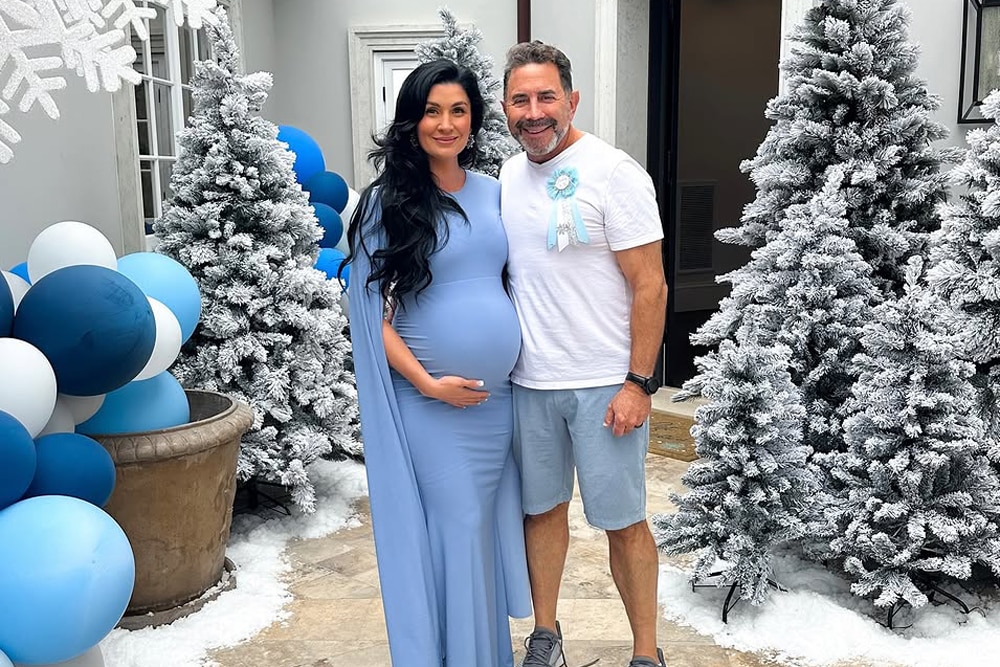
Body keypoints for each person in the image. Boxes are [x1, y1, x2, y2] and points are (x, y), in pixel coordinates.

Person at [344, 59, 532, 667]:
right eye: (432, 111)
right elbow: (370, 317)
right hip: (428, 401)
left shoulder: (494, 192)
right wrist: (427, 382)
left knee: (477, 532)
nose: (445, 123)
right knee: (456, 525)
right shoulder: (387, 203)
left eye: (458, 110)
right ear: (412, 120)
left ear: (474, 121)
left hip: (495, 404)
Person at [498, 41, 669, 667]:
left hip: (605, 386)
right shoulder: (507, 179)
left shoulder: (615, 172)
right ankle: (546, 635)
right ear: (505, 107)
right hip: (529, 383)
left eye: (546, 97)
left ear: (571, 100)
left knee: (623, 522)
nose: (534, 112)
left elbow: (650, 284)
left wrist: (639, 383)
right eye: (521, 99)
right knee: (540, 513)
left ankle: (646, 653)